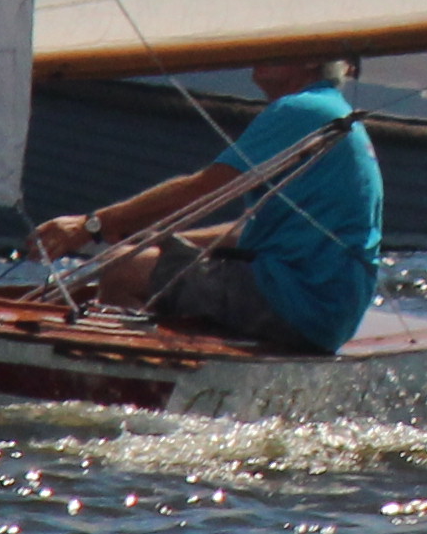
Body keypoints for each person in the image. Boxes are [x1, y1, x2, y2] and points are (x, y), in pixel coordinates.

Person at [29, 55, 385, 354]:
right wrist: (158, 239)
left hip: (295, 300)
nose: (261, 49)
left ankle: (125, 383)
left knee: (121, 269)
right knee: (136, 258)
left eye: (281, 43)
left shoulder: (301, 108)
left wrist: (90, 225)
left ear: (311, 58)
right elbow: (253, 230)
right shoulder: (331, 109)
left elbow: (205, 188)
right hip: (326, 311)